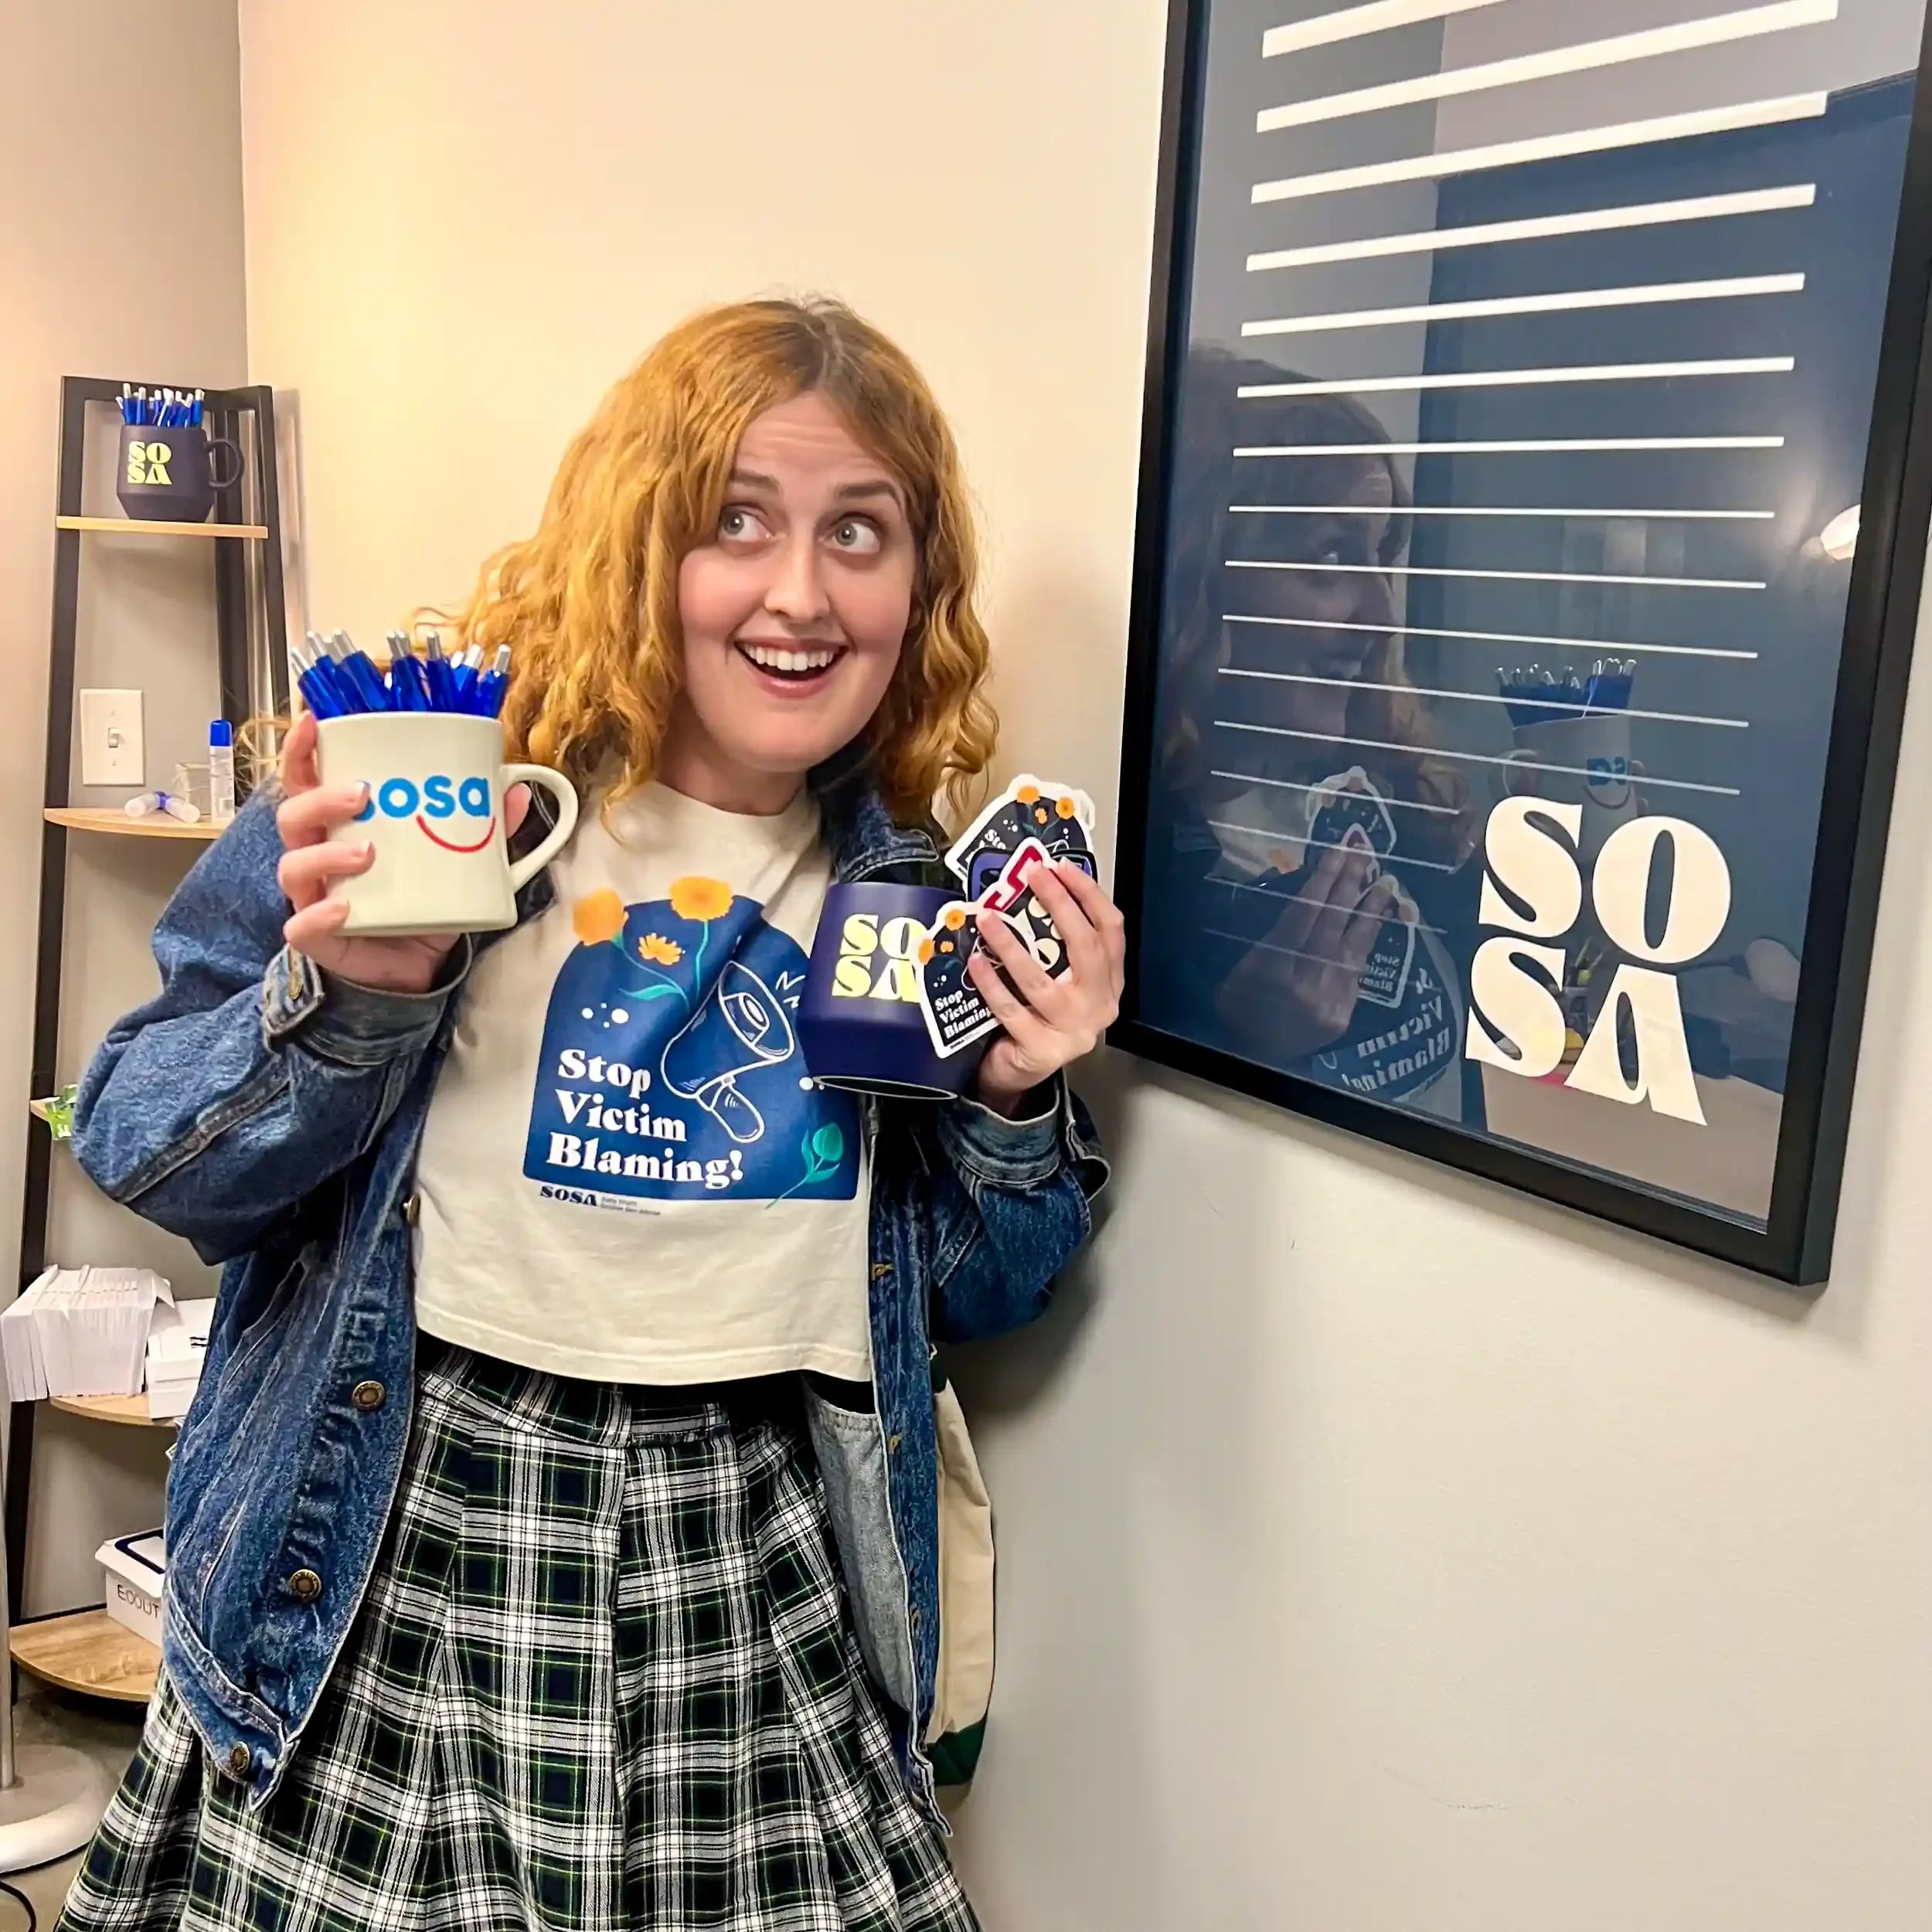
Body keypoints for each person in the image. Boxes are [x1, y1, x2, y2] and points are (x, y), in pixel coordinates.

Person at [58, 299, 1118, 1932]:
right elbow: (140, 1140)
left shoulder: (912, 898)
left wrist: (1011, 1095)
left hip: (755, 1581)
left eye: (860, 533)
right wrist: (354, 998)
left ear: (917, 589)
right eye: (736, 522)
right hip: (392, 1559)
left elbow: (981, 1291)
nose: (798, 591)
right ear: (642, 543)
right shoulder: (437, 804)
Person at [1141, 349, 1480, 1121]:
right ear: (1203, 578)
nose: (1381, 614)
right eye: (1330, 556)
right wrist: (1242, 1043)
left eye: (1379, 554)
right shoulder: (1144, 878)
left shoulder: (1396, 803)